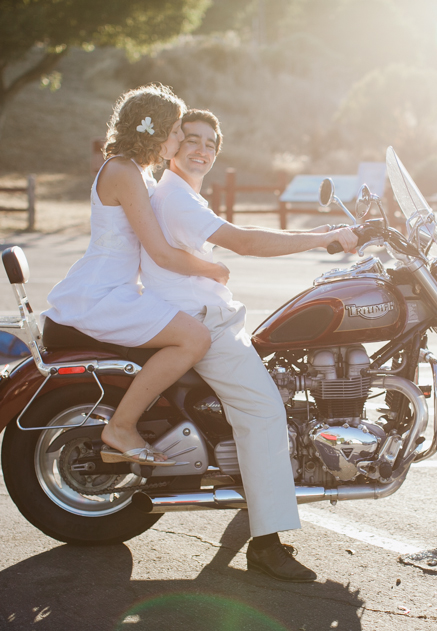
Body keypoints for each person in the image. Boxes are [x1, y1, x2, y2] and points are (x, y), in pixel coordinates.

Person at [141, 109, 358, 581]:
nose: (201, 149)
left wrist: (321, 234)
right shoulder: (177, 197)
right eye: (192, 140)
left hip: (206, 314)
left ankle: (258, 490)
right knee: (264, 414)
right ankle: (266, 544)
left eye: (210, 143)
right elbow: (245, 242)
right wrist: (320, 243)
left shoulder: (180, 193)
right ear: (173, 145)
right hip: (204, 321)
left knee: (273, 385)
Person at [44, 85, 228, 466]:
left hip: (118, 289)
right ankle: (121, 426)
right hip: (100, 295)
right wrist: (214, 269)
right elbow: (160, 252)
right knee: (194, 338)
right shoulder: (123, 171)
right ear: (154, 129)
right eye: (176, 130)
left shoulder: (135, 172)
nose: (179, 139)